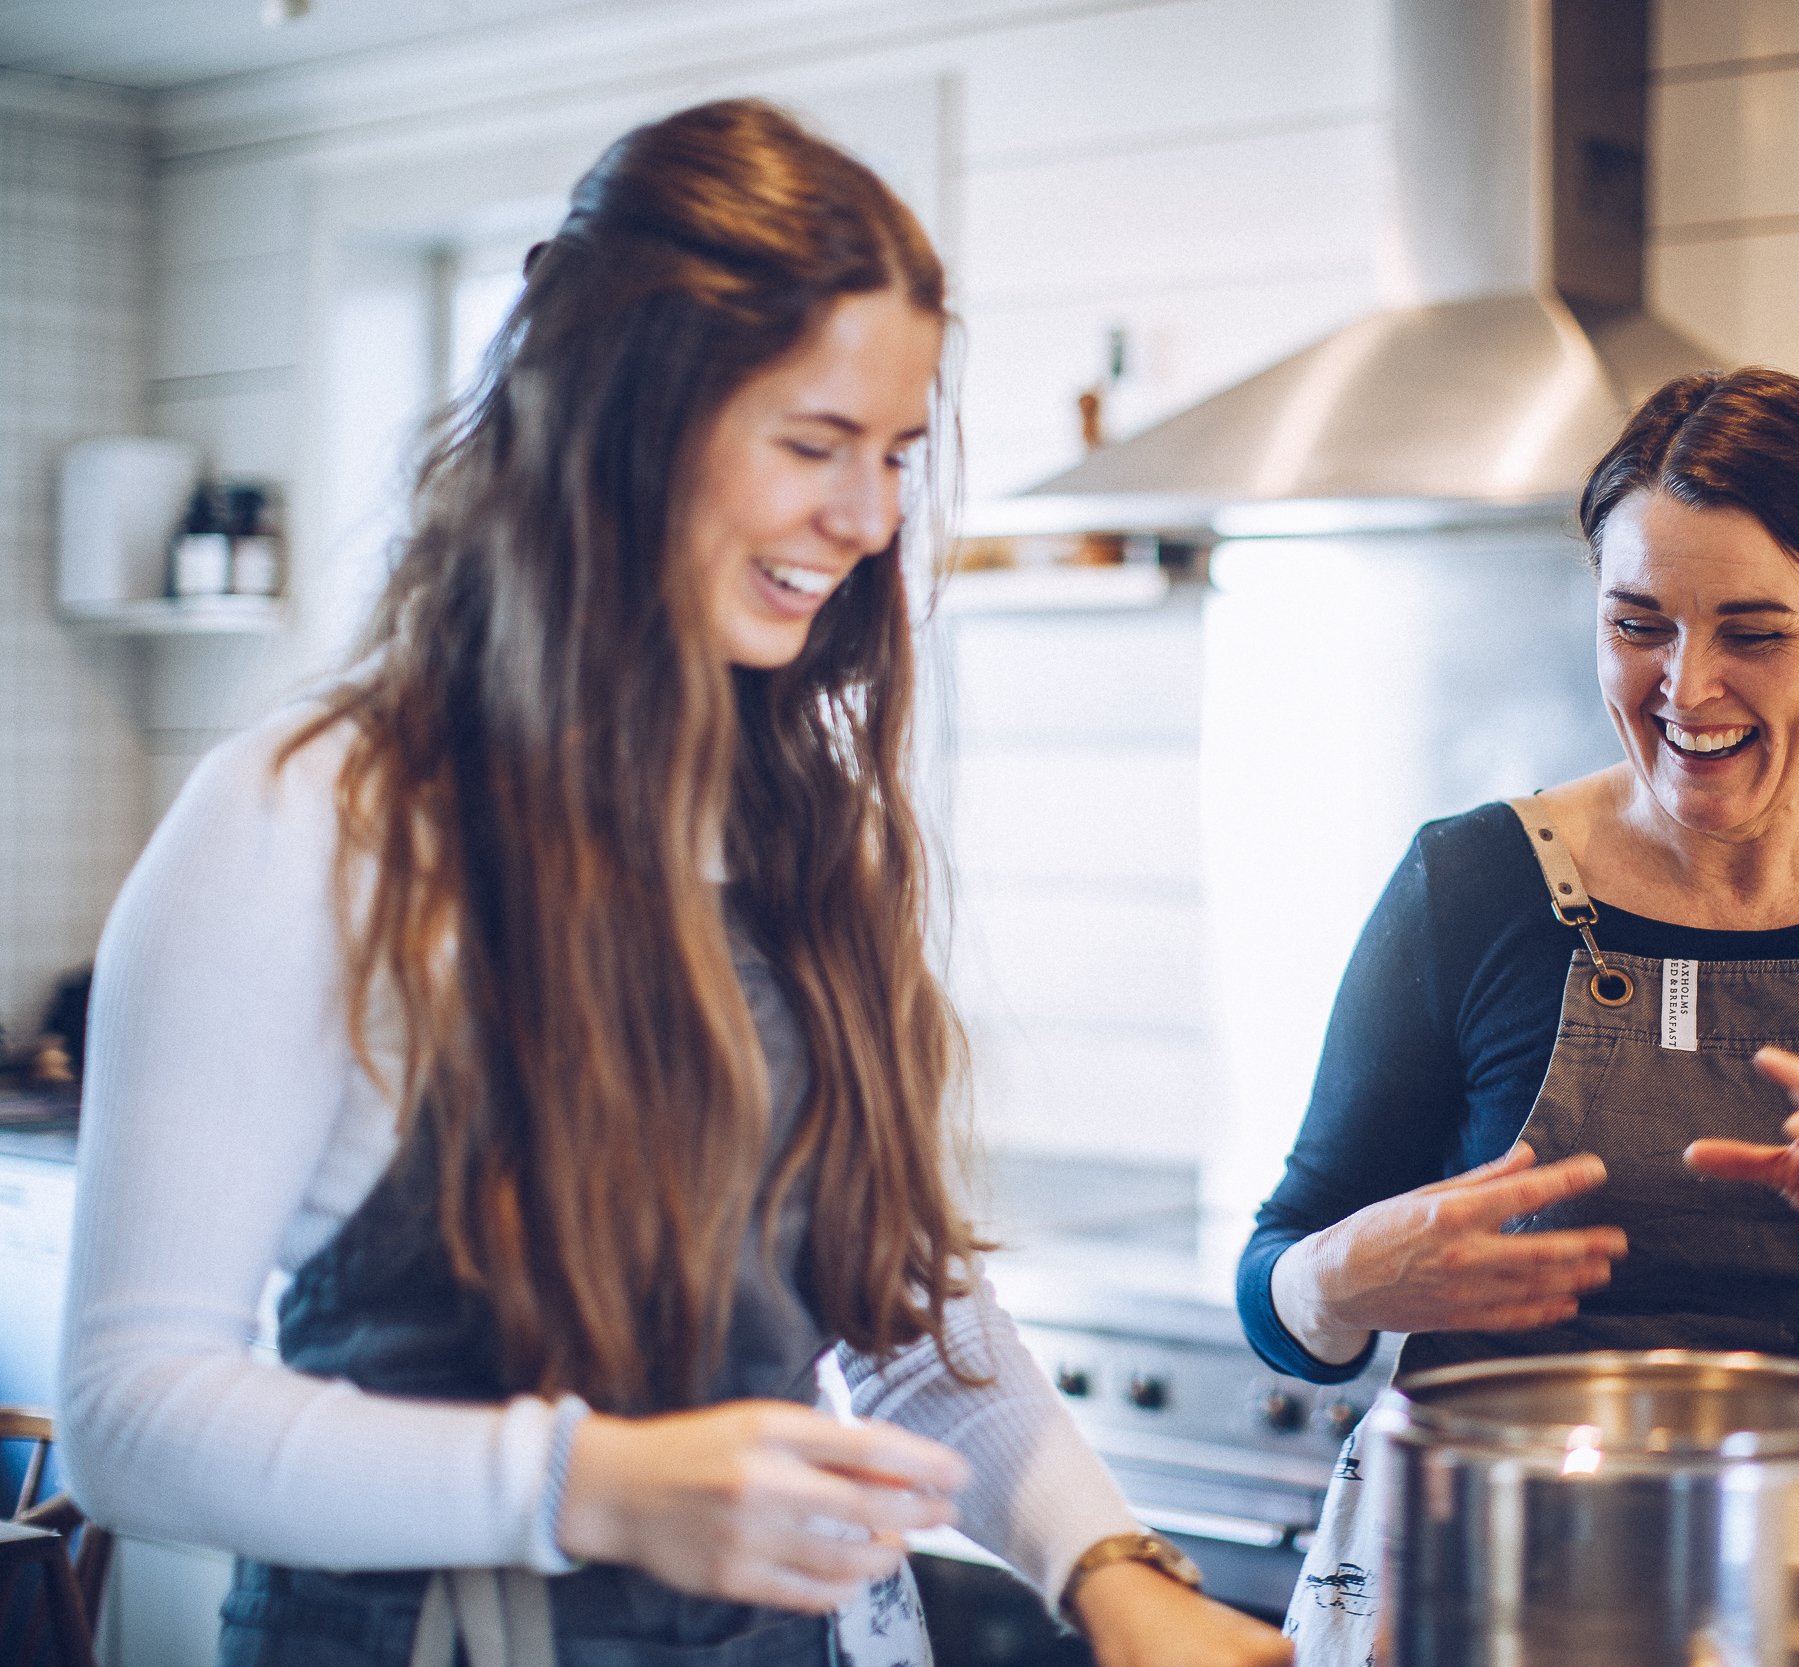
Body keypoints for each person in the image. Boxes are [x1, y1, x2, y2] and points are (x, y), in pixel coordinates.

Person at [59, 99, 1287, 1667]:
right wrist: (594, 1486)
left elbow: (896, 1311)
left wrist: (1110, 1570)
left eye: (898, 453)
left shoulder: (792, 825)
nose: (870, 519)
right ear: (620, 418)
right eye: (813, 443)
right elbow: (130, 1415)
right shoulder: (319, 821)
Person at [1235, 367, 1799, 1660]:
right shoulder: (1472, 889)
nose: (1687, 691)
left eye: (1753, 633)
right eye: (1640, 625)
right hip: (1492, 1602)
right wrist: (1354, 1273)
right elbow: (1277, 1287)